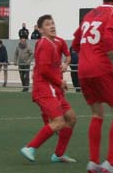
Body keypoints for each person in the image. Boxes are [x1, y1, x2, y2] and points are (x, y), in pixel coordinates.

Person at [72, 0, 113, 173]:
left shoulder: (89, 15)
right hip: (101, 67)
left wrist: (87, 56)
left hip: (84, 70)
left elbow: (76, 43)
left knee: (97, 114)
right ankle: (111, 163)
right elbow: (106, 38)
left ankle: (94, 162)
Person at [20, 14, 77, 163]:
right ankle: (30, 147)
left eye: (52, 23)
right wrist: (59, 82)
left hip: (53, 88)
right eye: (47, 24)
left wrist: (60, 77)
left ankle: (58, 155)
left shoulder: (54, 42)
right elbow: (44, 70)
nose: (52, 26)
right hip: (45, 88)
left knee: (71, 118)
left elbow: (63, 60)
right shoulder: (45, 44)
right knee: (58, 122)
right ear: (40, 29)